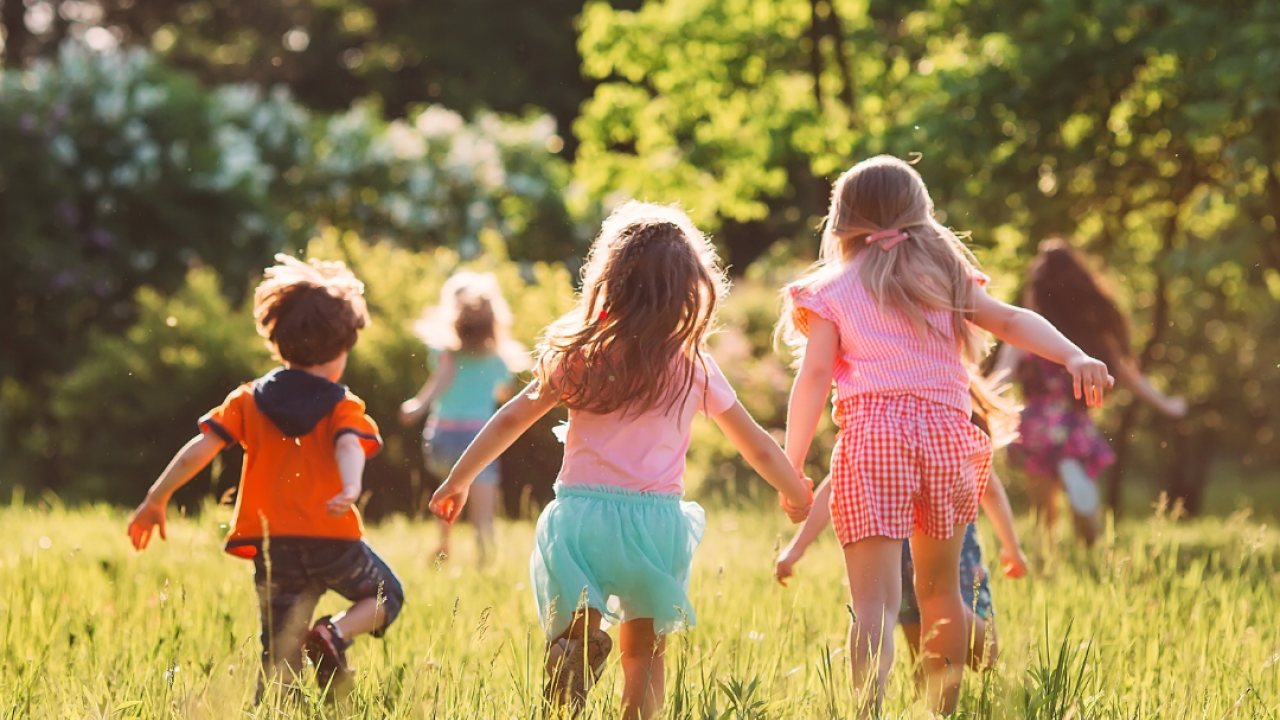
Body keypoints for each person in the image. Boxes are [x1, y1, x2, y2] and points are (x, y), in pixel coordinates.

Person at [428, 202, 814, 720]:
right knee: (645, 653)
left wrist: (458, 480)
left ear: (609, 279)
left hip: (582, 516)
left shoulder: (579, 353)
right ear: (687, 288)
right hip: (654, 524)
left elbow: (508, 420)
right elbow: (758, 445)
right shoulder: (692, 364)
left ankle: (577, 643)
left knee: (577, 616)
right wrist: (793, 490)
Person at [776, 155, 1112, 714]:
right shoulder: (945, 273)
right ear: (919, 212)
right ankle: (941, 709)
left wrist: (790, 470)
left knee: (874, 603)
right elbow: (1007, 320)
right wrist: (1074, 353)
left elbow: (812, 379)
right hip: (948, 438)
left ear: (842, 218)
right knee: (941, 593)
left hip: (874, 437)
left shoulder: (831, 289)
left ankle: (865, 713)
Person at [126, 255, 403, 697]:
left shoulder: (247, 401)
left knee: (279, 652)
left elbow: (201, 448)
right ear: (343, 347)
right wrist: (350, 487)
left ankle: (276, 705)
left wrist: (156, 498)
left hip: (274, 544)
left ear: (277, 340)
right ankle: (334, 634)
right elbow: (350, 444)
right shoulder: (343, 405)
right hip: (332, 536)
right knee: (387, 597)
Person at [775, 379, 1030, 675]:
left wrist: (797, 549)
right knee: (976, 655)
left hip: (911, 552)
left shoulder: (898, 409)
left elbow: (834, 486)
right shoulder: (948, 422)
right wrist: (1012, 549)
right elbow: (994, 492)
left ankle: (949, 641)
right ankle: (953, 628)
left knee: (934, 653)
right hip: (943, 547)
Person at [995, 239, 1187, 546]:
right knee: (1088, 526)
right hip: (1073, 426)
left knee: (1042, 515)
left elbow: (1000, 378)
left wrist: (976, 402)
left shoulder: (1025, 337)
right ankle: (1088, 534)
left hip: (1036, 427)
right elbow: (1131, 377)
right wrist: (1167, 404)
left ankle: (1046, 567)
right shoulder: (1088, 337)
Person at [400, 271, 527, 565]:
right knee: (482, 509)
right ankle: (485, 560)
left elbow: (442, 379)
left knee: (448, 490)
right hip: (477, 439)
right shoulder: (498, 359)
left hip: (441, 437)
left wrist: (418, 406)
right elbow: (502, 395)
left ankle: (443, 546)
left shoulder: (444, 354)